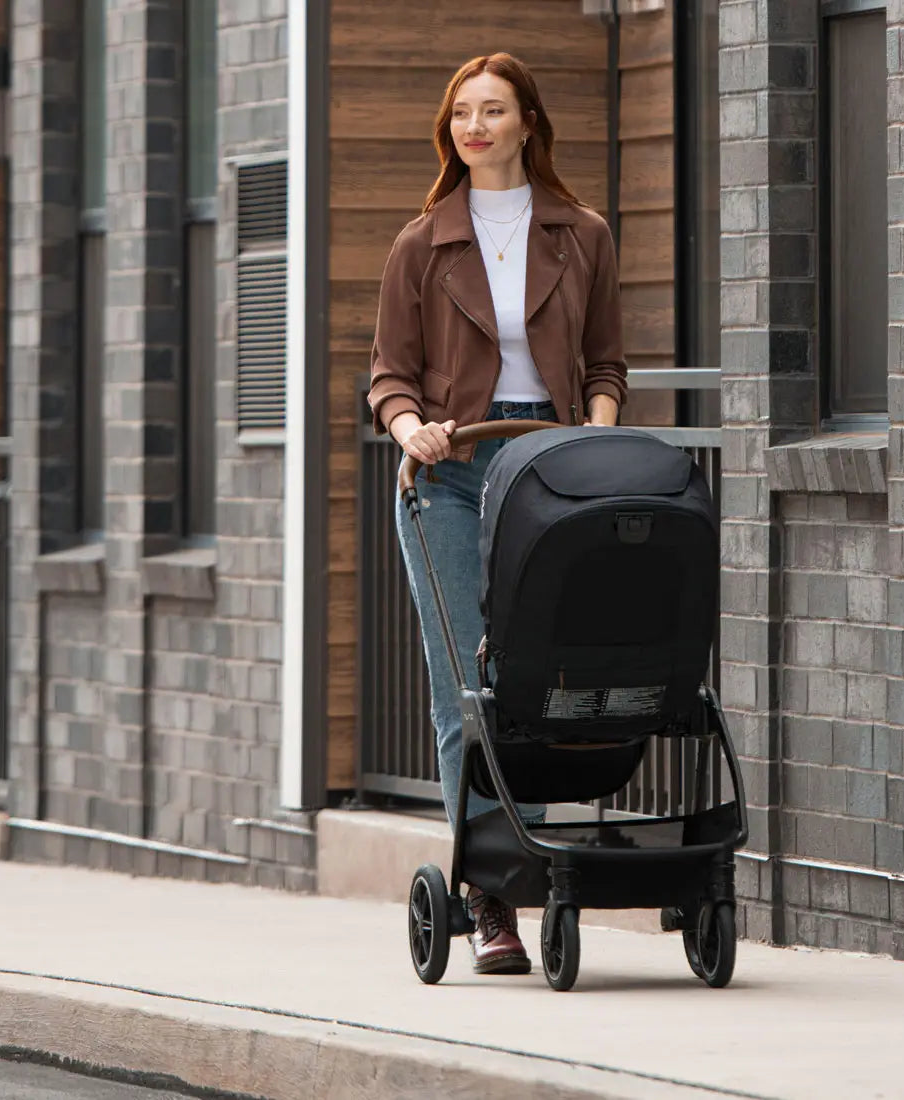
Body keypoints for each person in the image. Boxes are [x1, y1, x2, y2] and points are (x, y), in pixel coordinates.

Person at [367, 52, 627, 975]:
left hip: (548, 474)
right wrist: (414, 431)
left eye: (493, 111)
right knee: (463, 693)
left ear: (528, 123)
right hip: (448, 476)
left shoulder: (582, 234)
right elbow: (389, 377)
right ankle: (489, 897)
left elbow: (605, 364)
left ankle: (542, 866)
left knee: (540, 679)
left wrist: (594, 439)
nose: (474, 127)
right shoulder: (421, 243)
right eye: (461, 114)